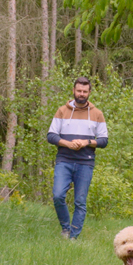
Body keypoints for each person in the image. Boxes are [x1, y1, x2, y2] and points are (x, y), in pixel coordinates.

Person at [47, 76, 108, 239]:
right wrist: (67, 143)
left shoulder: (97, 114)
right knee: (58, 195)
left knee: (80, 201)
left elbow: (104, 141)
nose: (81, 94)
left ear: (89, 93)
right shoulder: (62, 111)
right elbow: (51, 135)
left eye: (85, 91)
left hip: (85, 162)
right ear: (73, 91)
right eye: (79, 91)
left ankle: (73, 237)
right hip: (64, 160)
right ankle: (66, 228)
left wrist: (86, 142)